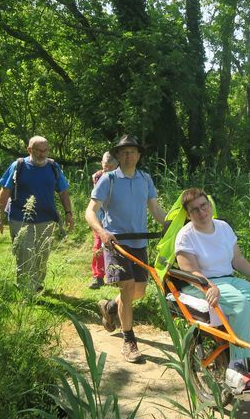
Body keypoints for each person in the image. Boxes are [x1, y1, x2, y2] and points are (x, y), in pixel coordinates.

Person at [174, 187, 250, 394]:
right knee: (239, 303)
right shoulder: (186, 235)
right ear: (188, 214)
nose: (201, 213)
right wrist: (209, 286)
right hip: (199, 284)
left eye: (204, 206)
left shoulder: (223, 227)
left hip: (227, 280)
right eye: (195, 210)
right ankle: (236, 365)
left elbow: (237, 260)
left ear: (209, 205)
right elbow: (189, 270)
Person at [85, 135, 166, 363]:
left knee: (138, 291)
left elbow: (156, 210)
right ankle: (129, 341)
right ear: (118, 156)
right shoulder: (108, 179)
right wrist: (102, 233)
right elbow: (90, 211)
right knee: (128, 288)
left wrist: (174, 226)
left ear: (139, 155)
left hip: (140, 242)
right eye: (124, 152)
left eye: (132, 151)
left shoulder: (145, 179)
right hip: (116, 243)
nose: (128, 155)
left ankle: (110, 307)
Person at [0, 136, 73, 292]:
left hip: (47, 220)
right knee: (25, 256)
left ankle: (37, 286)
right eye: (38, 151)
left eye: (45, 150)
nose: (42, 154)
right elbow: (5, 191)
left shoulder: (53, 167)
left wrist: (68, 213)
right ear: (29, 150)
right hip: (21, 220)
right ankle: (25, 291)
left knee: (42, 256)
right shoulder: (18, 166)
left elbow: (63, 191)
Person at [89, 151, 119, 289]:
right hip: (100, 217)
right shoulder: (98, 176)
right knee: (98, 247)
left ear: (117, 165)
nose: (107, 168)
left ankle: (114, 275)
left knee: (116, 247)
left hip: (117, 218)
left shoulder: (122, 176)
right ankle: (98, 276)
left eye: (110, 166)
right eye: (105, 165)